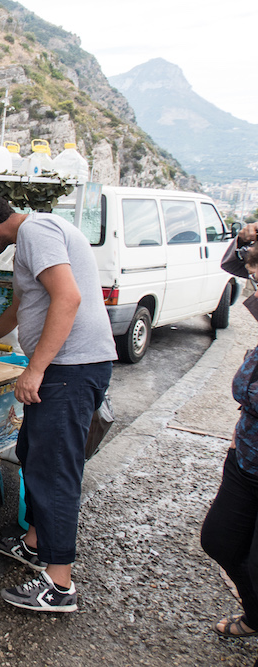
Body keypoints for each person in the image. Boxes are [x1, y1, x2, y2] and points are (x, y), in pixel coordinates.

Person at [0, 194, 116, 612]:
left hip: (70, 369)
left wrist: (36, 369)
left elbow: (68, 298)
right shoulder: (36, 233)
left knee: (54, 474)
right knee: (31, 452)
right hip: (67, 367)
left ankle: (59, 584)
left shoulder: (36, 232)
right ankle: (33, 544)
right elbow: (21, 307)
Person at [201, 222, 258, 639]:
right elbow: (232, 264)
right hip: (246, 455)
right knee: (220, 540)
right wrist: (242, 240)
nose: (254, 284)